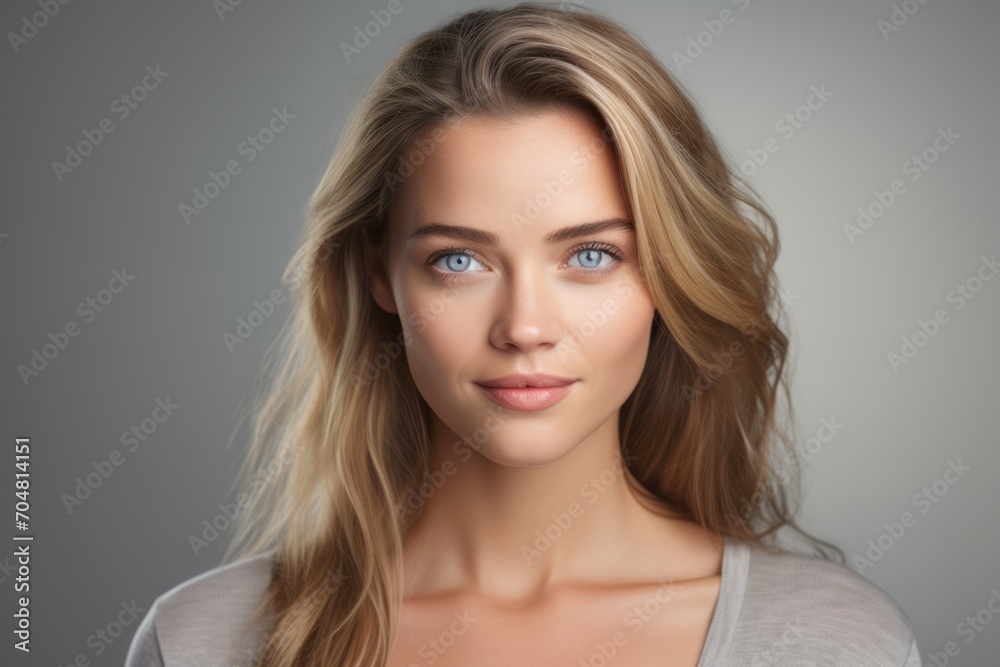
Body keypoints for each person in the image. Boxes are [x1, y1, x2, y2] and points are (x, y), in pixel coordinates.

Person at [125, 3, 920, 666]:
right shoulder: (204, 639)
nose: (524, 328)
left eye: (591, 254)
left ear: (668, 277)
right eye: (460, 259)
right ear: (380, 275)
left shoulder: (830, 642)